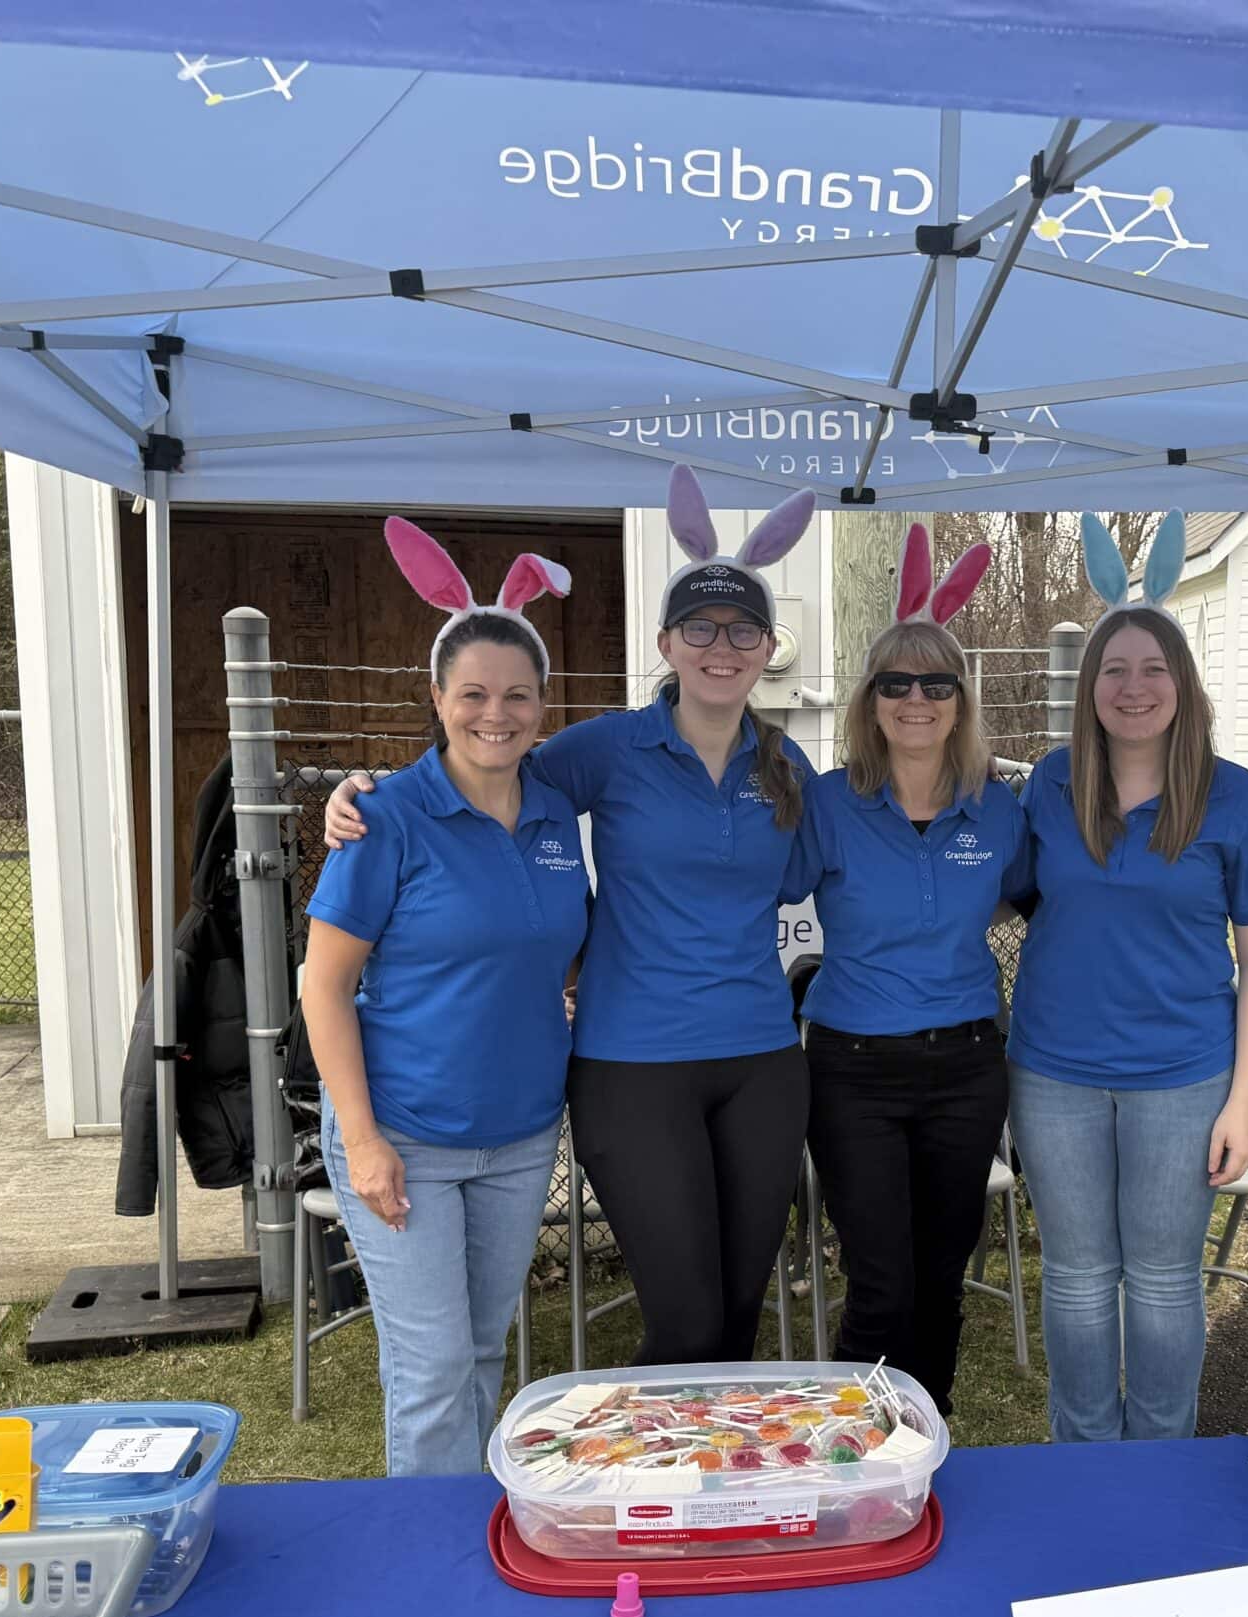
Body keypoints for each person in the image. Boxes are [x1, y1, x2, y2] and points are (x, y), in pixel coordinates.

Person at [325, 468, 818, 1365]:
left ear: (766, 647)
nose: (722, 647)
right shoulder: (608, 749)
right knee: (685, 1324)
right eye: (700, 628)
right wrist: (372, 792)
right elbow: (485, 769)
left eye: (744, 629)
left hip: (761, 1063)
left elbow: (864, 840)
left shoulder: (786, 769)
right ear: (666, 643)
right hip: (633, 1065)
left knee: (737, 1319)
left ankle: (722, 1458)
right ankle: (647, 1456)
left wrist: (966, 786)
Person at [303, 519, 587, 1475]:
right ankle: (428, 1552)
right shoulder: (382, 818)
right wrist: (363, 1140)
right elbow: (323, 987)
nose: (494, 714)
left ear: (542, 705)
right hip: (406, 1136)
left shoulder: (555, 815)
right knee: (429, 1370)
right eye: (473, 694)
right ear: (437, 699)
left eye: (516, 695)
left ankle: (468, 1530)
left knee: (481, 1352)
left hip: (520, 1135)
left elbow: (554, 947)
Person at [1007, 513, 1248, 1443]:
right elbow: (1010, 898)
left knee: (1165, 1282)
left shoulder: (1232, 794)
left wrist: (1243, 1102)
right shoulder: (1050, 784)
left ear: (1184, 684)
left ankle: (1162, 1462)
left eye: (1154, 669)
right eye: (1115, 670)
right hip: (1054, 1072)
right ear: (1089, 686)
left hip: (1185, 1077)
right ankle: (1086, 1463)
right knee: (1079, 1279)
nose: (1133, 688)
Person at [795, 527, 1022, 1413]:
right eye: (895, 683)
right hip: (853, 1070)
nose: (915, 699)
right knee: (881, 1284)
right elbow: (743, 886)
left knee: (940, 1279)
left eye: (936, 684)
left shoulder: (998, 810)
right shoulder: (828, 802)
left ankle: (929, 1439)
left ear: (962, 702)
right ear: (871, 700)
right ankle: (860, 1450)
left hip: (966, 1067)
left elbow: (1032, 897)